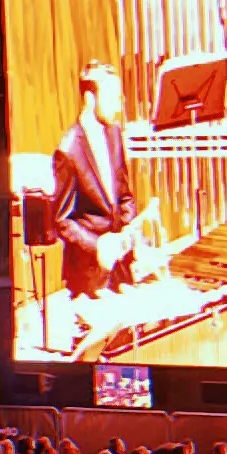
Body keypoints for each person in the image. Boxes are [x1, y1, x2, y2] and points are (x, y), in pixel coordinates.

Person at [51, 62, 148, 348]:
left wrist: (127, 232)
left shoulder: (115, 134)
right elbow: (61, 221)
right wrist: (99, 246)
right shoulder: (68, 151)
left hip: (121, 266)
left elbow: (125, 195)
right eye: (113, 97)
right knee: (104, 349)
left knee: (133, 340)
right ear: (90, 98)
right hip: (89, 277)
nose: (119, 105)